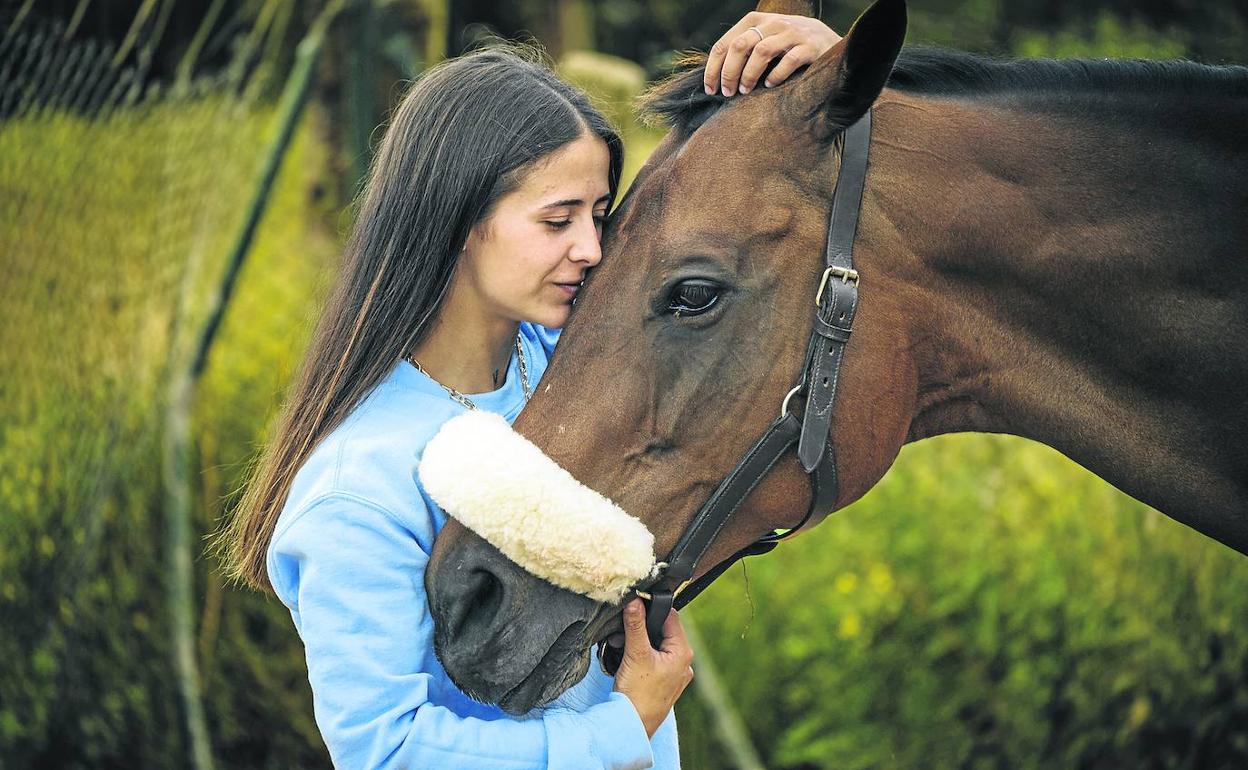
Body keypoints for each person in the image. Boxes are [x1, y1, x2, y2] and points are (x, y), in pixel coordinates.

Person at [215, 12, 842, 769]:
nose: (591, 248)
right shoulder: (359, 486)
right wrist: (621, 729)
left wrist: (825, 78)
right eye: (557, 220)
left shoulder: (566, 365)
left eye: (599, 214)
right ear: (458, 219)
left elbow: (726, 228)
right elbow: (386, 751)